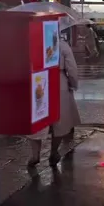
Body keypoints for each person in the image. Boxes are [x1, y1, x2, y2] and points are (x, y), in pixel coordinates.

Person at [27, 29, 80, 170]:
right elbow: (72, 69)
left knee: (36, 121)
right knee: (59, 122)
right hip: (59, 82)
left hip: (37, 82)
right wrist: (73, 84)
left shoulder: (31, 44)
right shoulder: (62, 45)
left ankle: (35, 155)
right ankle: (54, 152)